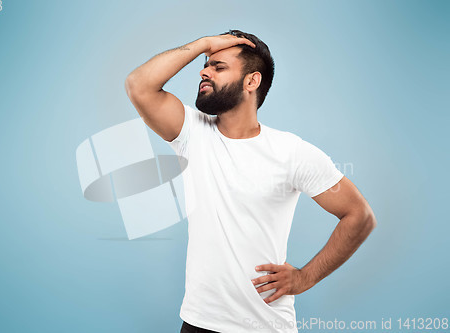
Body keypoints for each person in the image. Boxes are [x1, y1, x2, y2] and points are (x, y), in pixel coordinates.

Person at [124, 29, 377, 333]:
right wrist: (205, 44)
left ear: (251, 81)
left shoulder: (292, 152)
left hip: (266, 326)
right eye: (206, 65)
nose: (204, 71)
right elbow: (139, 86)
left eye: (218, 67)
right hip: (198, 323)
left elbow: (359, 216)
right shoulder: (192, 132)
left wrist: (305, 278)